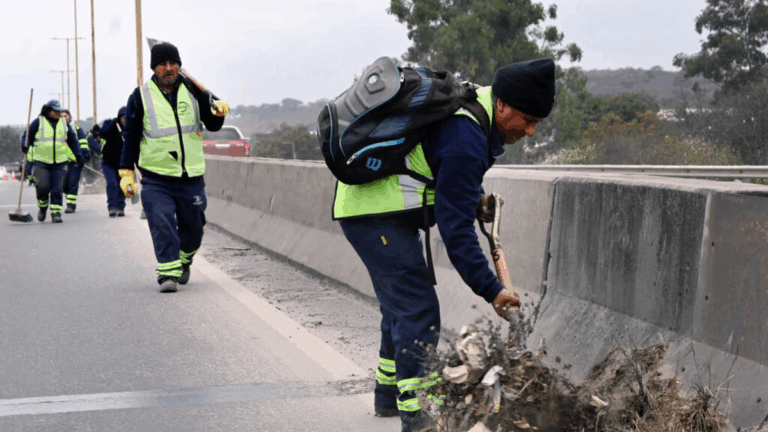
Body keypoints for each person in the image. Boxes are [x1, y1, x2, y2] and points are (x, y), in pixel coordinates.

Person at [333, 58, 555, 432]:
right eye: (527, 121)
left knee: (401, 306)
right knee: (417, 308)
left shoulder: (478, 107)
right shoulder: (466, 135)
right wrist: (492, 289)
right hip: (372, 213)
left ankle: (387, 395)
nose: (530, 132)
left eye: (536, 124)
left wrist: (474, 198)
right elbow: (456, 231)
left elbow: (442, 169)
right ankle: (417, 416)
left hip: (379, 210)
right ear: (502, 105)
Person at [119, 42, 228, 293]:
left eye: (173, 63)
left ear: (179, 65)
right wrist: (126, 172)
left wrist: (218, 113)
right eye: (162, 64)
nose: (169, 68)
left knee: (195, 227)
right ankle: (168, 272)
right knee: (161, 220)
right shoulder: (140, 97)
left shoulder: (195, 91)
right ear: (154, 68)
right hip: (156, 177)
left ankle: (184, 258)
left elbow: (212, 125)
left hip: (191, 176)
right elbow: (131, 137)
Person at [20, 100, 84, 223]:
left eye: (59, 111)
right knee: (43, 187)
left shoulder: (64, 124)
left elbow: (73, 141)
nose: (58, 113)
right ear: (48, 111)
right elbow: (27, 135)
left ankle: (56, 213)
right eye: (55, 111)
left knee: (57, 189)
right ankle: (43, 207)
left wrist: (78, 155)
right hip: (41, 162)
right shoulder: (38, 122)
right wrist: (25, 145)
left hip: (60, 162)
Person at [60, 109, 99, 213]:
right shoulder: (56, 130)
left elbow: (83, 143)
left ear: (70, 118)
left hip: (74, 161)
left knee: (72, 182)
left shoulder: (76, 129)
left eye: (66, 116)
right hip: (61, 161)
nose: (64, 118)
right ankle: (69, 198)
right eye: (62, 116)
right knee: (63, 184)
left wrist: (84, 156)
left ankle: (71, 204)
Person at [100, 107, 127, 217]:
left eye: (127, 117)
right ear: (119, 117)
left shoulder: (131, 127)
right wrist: (113, 124)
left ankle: (121, 207)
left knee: (123, 185)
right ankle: (112, 207)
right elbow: (103, 134)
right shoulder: (111, 124)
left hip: (123, 163)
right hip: (108, 162)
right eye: (123, 117)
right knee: (112, 184)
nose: (125, 120)